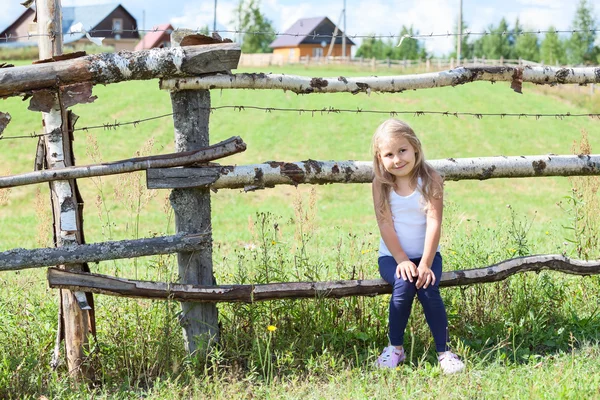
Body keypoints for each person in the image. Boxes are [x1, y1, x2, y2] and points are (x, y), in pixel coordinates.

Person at [371, 119, 464, 374]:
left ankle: (445, 353)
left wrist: (424, 263)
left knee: (427, 288)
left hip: (428, 254)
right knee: (403, 286)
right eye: (389, 154)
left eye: (402, 150)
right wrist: (401, 260)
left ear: (415, 148)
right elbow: (385, 224)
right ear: (380, 158)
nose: (397, 159)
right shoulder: (381, 184)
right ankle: (395, 348)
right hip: (391, 257)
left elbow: (434, 222)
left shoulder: (431, 179)